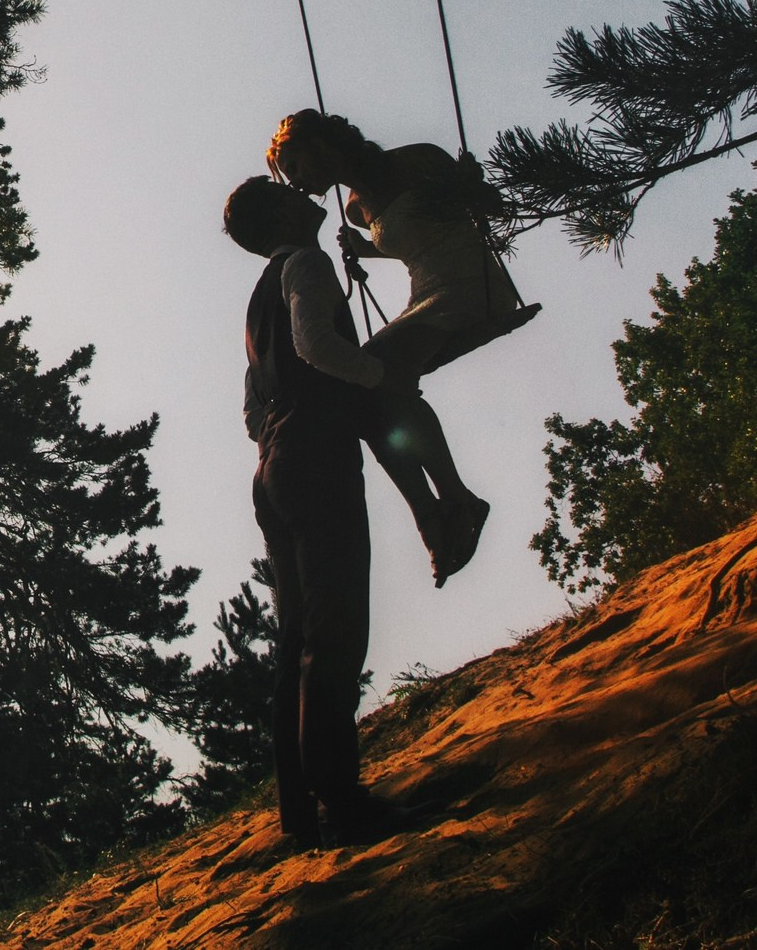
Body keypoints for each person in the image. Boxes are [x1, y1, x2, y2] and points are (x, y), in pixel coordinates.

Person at [224, 174, 411, 850]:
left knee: (296, 637)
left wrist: (281, 430)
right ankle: (342, 799)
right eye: (289, 192)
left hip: (272, 465)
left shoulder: (253, 304)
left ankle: (301, 812)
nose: (306, 193)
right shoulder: (305, 263)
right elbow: (314, 342)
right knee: (335, 629)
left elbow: (251, 408)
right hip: (314, 453)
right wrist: (376, 376)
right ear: (279, 213)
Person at [269, 110, 535, 583]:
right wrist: (362, 247)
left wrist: (473, 185)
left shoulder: (418, 162)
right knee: (365, 393)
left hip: (471, 285)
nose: (300, 184)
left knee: (367, 374)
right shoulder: (355, 208)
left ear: (320, 146)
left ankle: (450, 503)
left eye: (298, 168)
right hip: (427, 295)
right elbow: (409, 241)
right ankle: (439, 509)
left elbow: (492, 210)